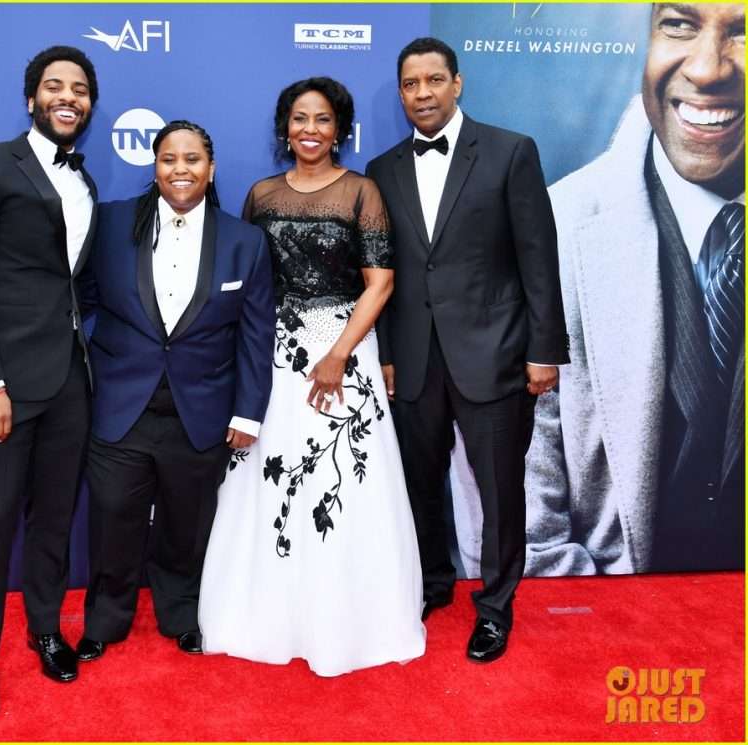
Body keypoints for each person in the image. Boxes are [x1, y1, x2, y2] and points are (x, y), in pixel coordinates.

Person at [199, 78, 427, 677]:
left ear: (339, 130)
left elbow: (380, 282)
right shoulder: (262, 194)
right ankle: (269, 615)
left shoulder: (362, 191)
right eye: (299, 118)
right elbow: (250, 284)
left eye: (322, 119)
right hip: (275, 357)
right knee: (269, 480)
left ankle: (346, 621)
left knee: (343, 485)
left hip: (343, 353)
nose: (310, 130)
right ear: (285, 128)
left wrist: (338, 354)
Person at [366, 37, 569, 663]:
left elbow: (538, 259)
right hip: (415, 360)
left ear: (457, 84)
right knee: (419, 485)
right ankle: (432, 583)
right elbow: (385, 274)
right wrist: (388, 355)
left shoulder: (511, 151)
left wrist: (544, 351)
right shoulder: (382, 169)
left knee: (501, 492)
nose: (422, 93)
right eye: (410, 84)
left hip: (496, 355)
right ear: (401, 94)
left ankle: (496, 608)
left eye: (434, 80)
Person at [525, 2, 744, 574]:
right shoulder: (553, 229)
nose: (707, 68)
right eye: (680, 25)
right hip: (618, 617)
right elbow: (528, 537)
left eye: (744, 33)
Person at [74, 121, 275, 661]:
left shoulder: (245, 242)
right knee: (112, 518)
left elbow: (256, 336)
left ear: (211, 169)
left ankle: (182, 613)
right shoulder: (112, 223)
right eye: (168, 159)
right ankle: (105, 619)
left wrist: (248, 413)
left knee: (187, 524)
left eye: (192, 159)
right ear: (155, 166)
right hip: (121, 405)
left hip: (202, 410)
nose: (180, 169)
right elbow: (78, 298)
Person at [0, 45, 99, 723]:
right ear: (31, 98)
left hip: (69, 381)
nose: (69, 97)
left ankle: (45, 629)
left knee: (54, 518)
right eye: (55, 86)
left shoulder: (85, 184)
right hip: (2, 387)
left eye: (80, 89)